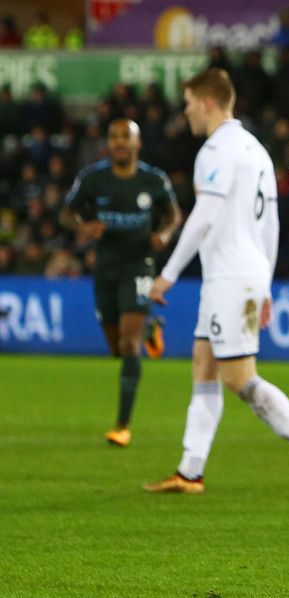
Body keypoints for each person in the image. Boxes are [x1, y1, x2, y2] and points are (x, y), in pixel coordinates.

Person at [144, 68, 289, 497]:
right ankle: (190, 471)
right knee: (204, 366)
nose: (185, 112)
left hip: (230, 278)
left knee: (239, 378)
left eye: (188, 103)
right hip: (239, 274)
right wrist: (264, 282)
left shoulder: (216, 149)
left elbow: (205, 215)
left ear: (208, 102)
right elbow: (270, 224)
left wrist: (168, 274)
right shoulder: (255, 149)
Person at [63, 118, 182, 447]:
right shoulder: (93, 178)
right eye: (114, 136)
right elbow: (66, 213)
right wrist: (83, 226)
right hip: (105, 268)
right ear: (108, 143)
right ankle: (150, 328)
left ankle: (122, 425)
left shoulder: (153, 180)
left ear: (137, 143)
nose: (119, 142)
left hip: (139, 265)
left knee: (129, 347)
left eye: (125, 137)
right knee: (117, 348)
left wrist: (164, 233)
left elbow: (173, 214)